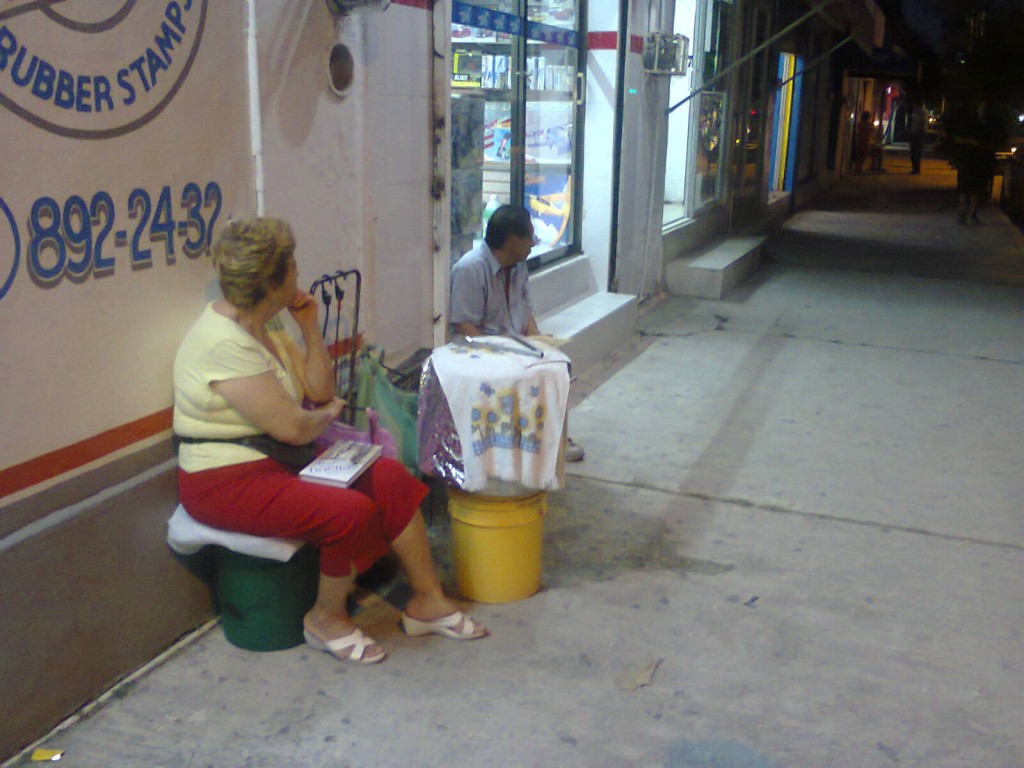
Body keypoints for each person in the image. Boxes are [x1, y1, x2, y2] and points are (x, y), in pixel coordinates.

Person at [174, 217, 487, 665]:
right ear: (275, 280)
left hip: (279, 459)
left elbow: (318, 391)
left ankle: (427, 601)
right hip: (222, 479)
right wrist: (325, 416)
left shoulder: (269, 323)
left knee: (389, 477)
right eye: (293, 267)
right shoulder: (222, 342)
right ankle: (326, 618)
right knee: (348, 513)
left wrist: (310, 328)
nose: (299, 274)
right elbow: (295, 426)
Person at [449, 204, 585, 462]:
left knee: (557, 365)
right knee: (522, 371)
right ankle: (523, 438)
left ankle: (554, 434)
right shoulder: (471, 269)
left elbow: (525, 309)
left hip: (513, 344)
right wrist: (504, 351)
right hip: (481, 349)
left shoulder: (519, 264)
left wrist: (538, 339)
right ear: (512, 240)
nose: (533, 243)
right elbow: (463, 326)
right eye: (529, 238)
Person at [949, 101, 997, 225]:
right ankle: (966, 214)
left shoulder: (982, 126)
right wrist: (974, 143)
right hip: (972, 160)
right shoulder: (975, 125)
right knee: (969, 188)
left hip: (974, 160)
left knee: (970, 188)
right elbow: (958, 138)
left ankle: (968, 214)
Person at [908, 99, 928, 175]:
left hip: (919, 134)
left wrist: (917, 132)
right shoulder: (917, 112)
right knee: (914, 152)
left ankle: (916, 169)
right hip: (916, 133)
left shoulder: (922, 113)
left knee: (916, 152)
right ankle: (915, 168)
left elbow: (922, 124)